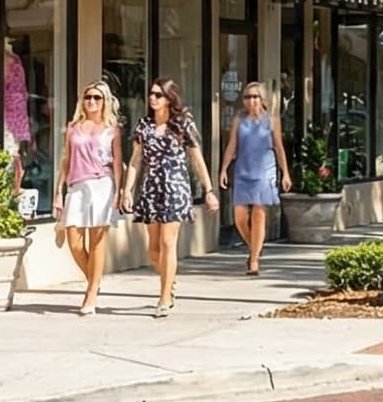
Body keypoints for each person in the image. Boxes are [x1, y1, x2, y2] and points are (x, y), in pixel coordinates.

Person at [120, 78, 215, 318]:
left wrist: (209, 190)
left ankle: (164, 297)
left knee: (166, 243)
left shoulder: (182, 124)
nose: (152, 98)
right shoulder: (144, 126)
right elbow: (135, 160)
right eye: (151, 94)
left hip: (175, 189)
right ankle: (168, 279)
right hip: (151, 189)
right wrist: (126, 190)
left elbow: (196, 158)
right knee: (152, 249)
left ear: (169, 99)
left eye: (158, 95)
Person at [58, 81, 120, 316]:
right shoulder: (74, 127)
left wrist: (121, 192)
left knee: (96, 241)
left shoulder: (111, 129)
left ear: (104, 101)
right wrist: (58, 191)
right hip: (77, 186)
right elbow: (66, 159)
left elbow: (117, 162)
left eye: (97, 97)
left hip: (102, 185)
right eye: (88, 97)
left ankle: (91, 293)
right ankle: (94, 280)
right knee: (73, 241)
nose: (92, 101)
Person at [217, 80, 281, 277]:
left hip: (264, 170)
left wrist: (285, 172)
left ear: (262, 99)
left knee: (259, 213)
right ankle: (254, 248)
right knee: (240, 216)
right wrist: (223, 169)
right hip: (243, 170)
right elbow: (231, 146)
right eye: (247, 97)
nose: (251, 100)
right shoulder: (239, 120)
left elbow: (279, 147)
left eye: (255, 96)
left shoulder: (272, 120)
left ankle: (254, 260)